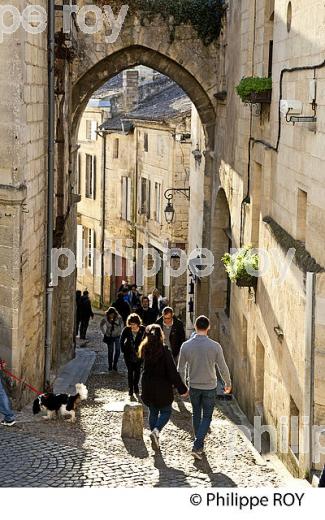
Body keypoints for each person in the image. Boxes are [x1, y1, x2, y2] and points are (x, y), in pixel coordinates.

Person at [178, 315, 232, 460]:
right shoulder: (215, 346)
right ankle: (197, 445)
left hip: (194, 385)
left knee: (196, 414)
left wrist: (182, 386)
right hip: (210, 386)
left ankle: (198, 444)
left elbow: (180, 368)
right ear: (208, 328)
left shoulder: (186, 346)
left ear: (195, 327)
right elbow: (223, 367)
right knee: (207, 416)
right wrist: (228, 383)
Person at [139, 324, 188, 451]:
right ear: (161, 335)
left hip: (148, 385)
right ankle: (156, 431)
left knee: (153, 411)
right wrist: (182, 389)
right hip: (162, 387)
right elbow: (172, 372)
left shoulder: (144, 348)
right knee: (166, 411)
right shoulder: (164, 351)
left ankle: (155, 435)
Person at [120, 314, 146, 397]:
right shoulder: (127, 330)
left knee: (138, 371)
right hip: (128, 354)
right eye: (131, 324)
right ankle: (130, 388)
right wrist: (123, 350)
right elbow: (121, 340)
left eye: (134, 324)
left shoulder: (143, 329)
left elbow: (146, 341)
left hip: (139, 355)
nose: (133, 326)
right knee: (130, 372)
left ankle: (136, 385)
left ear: (138, 323)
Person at [100, 307, 124, 372]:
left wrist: (120, 331)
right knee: (110, 351)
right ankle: (110, 365)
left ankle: (115, 364)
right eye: (110, 314)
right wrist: (104, 333)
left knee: (118, 350)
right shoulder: (105, 318)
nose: (111, 315)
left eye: (113, 314)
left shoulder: (119, 317)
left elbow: (122, 324)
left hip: (117, 336)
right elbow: (101, 325)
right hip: (109, 336)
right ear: (108, 314)